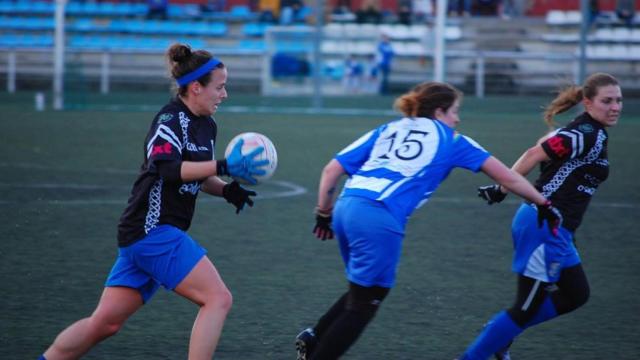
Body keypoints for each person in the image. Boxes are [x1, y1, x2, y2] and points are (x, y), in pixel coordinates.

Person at [294, 81, 562, 360]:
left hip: (346, 208)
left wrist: (323, 213)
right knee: (365, 303)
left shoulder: (389, 129)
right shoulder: (453, 140)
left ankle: (314, 338)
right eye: (455, 111)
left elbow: (331, 170)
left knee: (363, 291)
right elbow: (507, 177)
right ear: (439, 112)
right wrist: (542, 202)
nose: (457, 119)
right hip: (379, 218)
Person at [39, 43, 268, 360]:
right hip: (153, 231)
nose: (224, 94)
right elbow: (169, 169)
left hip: (144, 235)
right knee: (218, 298)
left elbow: (196, 174)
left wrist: (227, 189)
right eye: (220, 86)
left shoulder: (207, 125)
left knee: (104, 324)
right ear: (196, 87)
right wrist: (223, 166)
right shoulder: (169, 121)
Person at [459, 72, 622, 360]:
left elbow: (547, 146)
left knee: (575, 293)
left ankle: (501, 333)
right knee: (526, 307)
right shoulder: (586, 134)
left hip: (555, 228)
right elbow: (535, 153)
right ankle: (484, 347)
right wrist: (502, 188)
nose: (615, 107)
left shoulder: (588, 132)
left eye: (618, 100)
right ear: (587, 103)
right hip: (544, 224)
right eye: (607, 101)